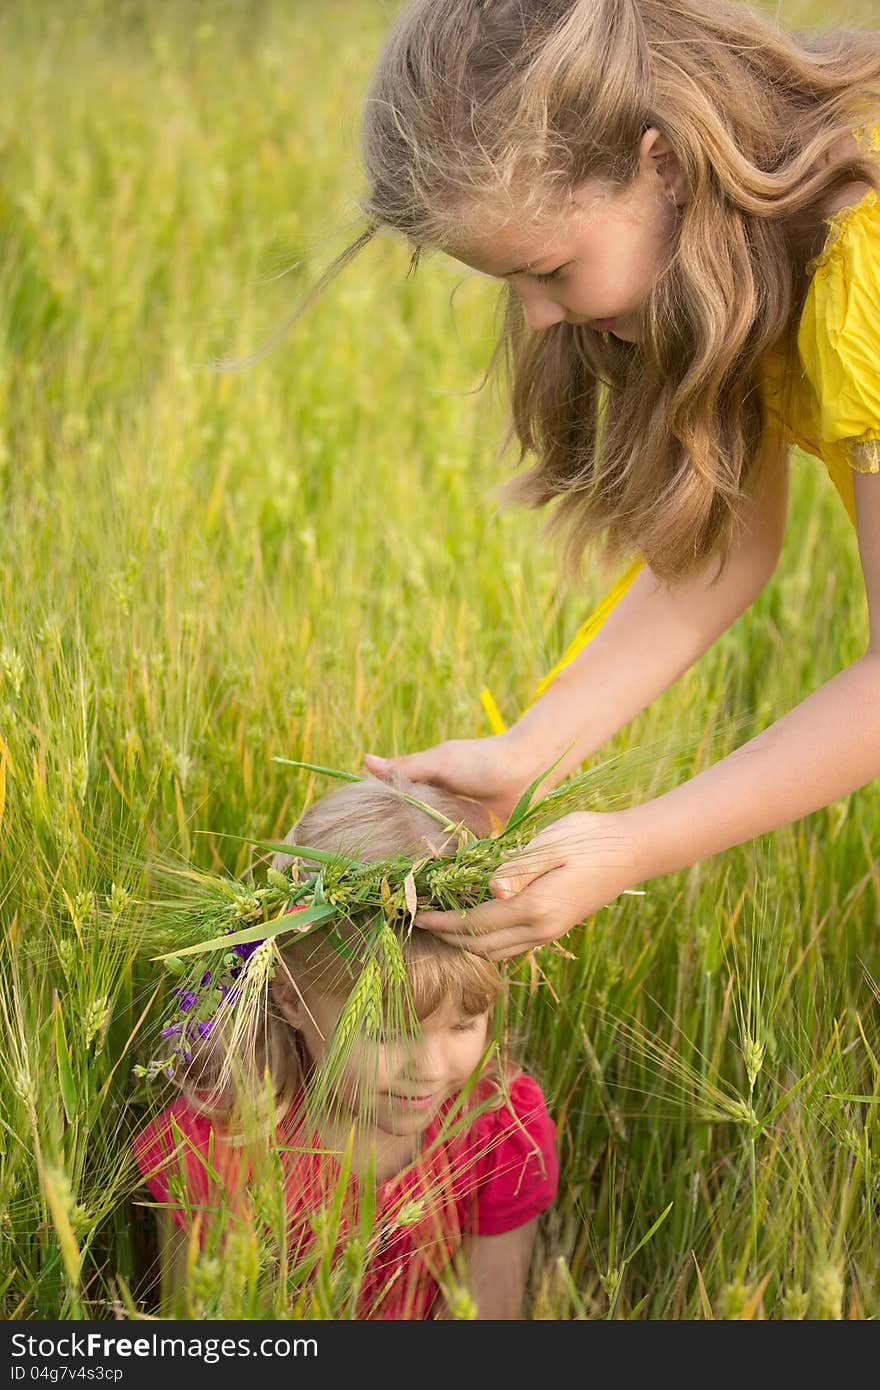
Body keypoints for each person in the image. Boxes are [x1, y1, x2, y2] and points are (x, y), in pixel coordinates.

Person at [321, 0, 880, 960]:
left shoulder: (862, 272)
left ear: (662, 163)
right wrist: (528, 754)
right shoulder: (737, 257)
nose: (538, 319)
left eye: (549, 270)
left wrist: (631, 846)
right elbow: (724, 554)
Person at [132, 774, 558, 1319]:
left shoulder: (501, 1131)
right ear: (289, 996)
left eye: (464, 1024)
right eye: (386, 1030)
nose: (428, 1069)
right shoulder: (216, 1145)